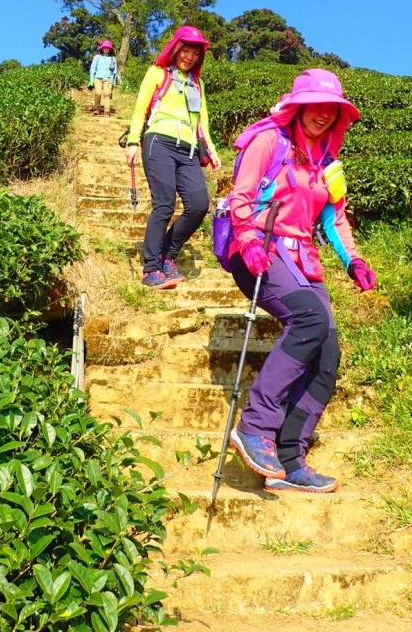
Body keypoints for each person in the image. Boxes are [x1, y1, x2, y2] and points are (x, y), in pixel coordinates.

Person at [227, 68, 376, 494]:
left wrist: (354, 261)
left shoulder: (329, 164)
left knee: (328, 353)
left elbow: (335, 218)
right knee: (309, 320)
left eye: (332, 109)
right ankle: (256, 427)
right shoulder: (268, 141)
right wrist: (248, 239)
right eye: (317, 106)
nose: (324, 115)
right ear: (300, 106)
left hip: (303, 258)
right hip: (261, 247)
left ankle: (291, 459)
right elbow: (241, 194)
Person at [124, 25, 222, 289]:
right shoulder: (157, 73)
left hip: (188, 149)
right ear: (176, 48)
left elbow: (203, 122)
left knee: (199, 204)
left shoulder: (197, 84)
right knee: (164, 205)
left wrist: (210, 149)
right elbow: (140, 110)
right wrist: (134, 141)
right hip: (159, 143)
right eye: (185, 50)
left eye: (195, 53)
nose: (189, 57)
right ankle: (151, 269)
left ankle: (168, 254)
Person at [88, 40, 118, 116]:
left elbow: (115, 71)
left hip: (108, 78)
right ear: (102, 48)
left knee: (107, 94)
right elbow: (92, 69)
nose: (106, 49)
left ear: (110, 49)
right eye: (105, 47)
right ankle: (96, 108)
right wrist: (91, 80)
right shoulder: (97, 57)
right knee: (98, 93)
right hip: (97, 77)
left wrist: (114, 82)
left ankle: (107, 110)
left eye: (108, 48)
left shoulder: (112, 58)